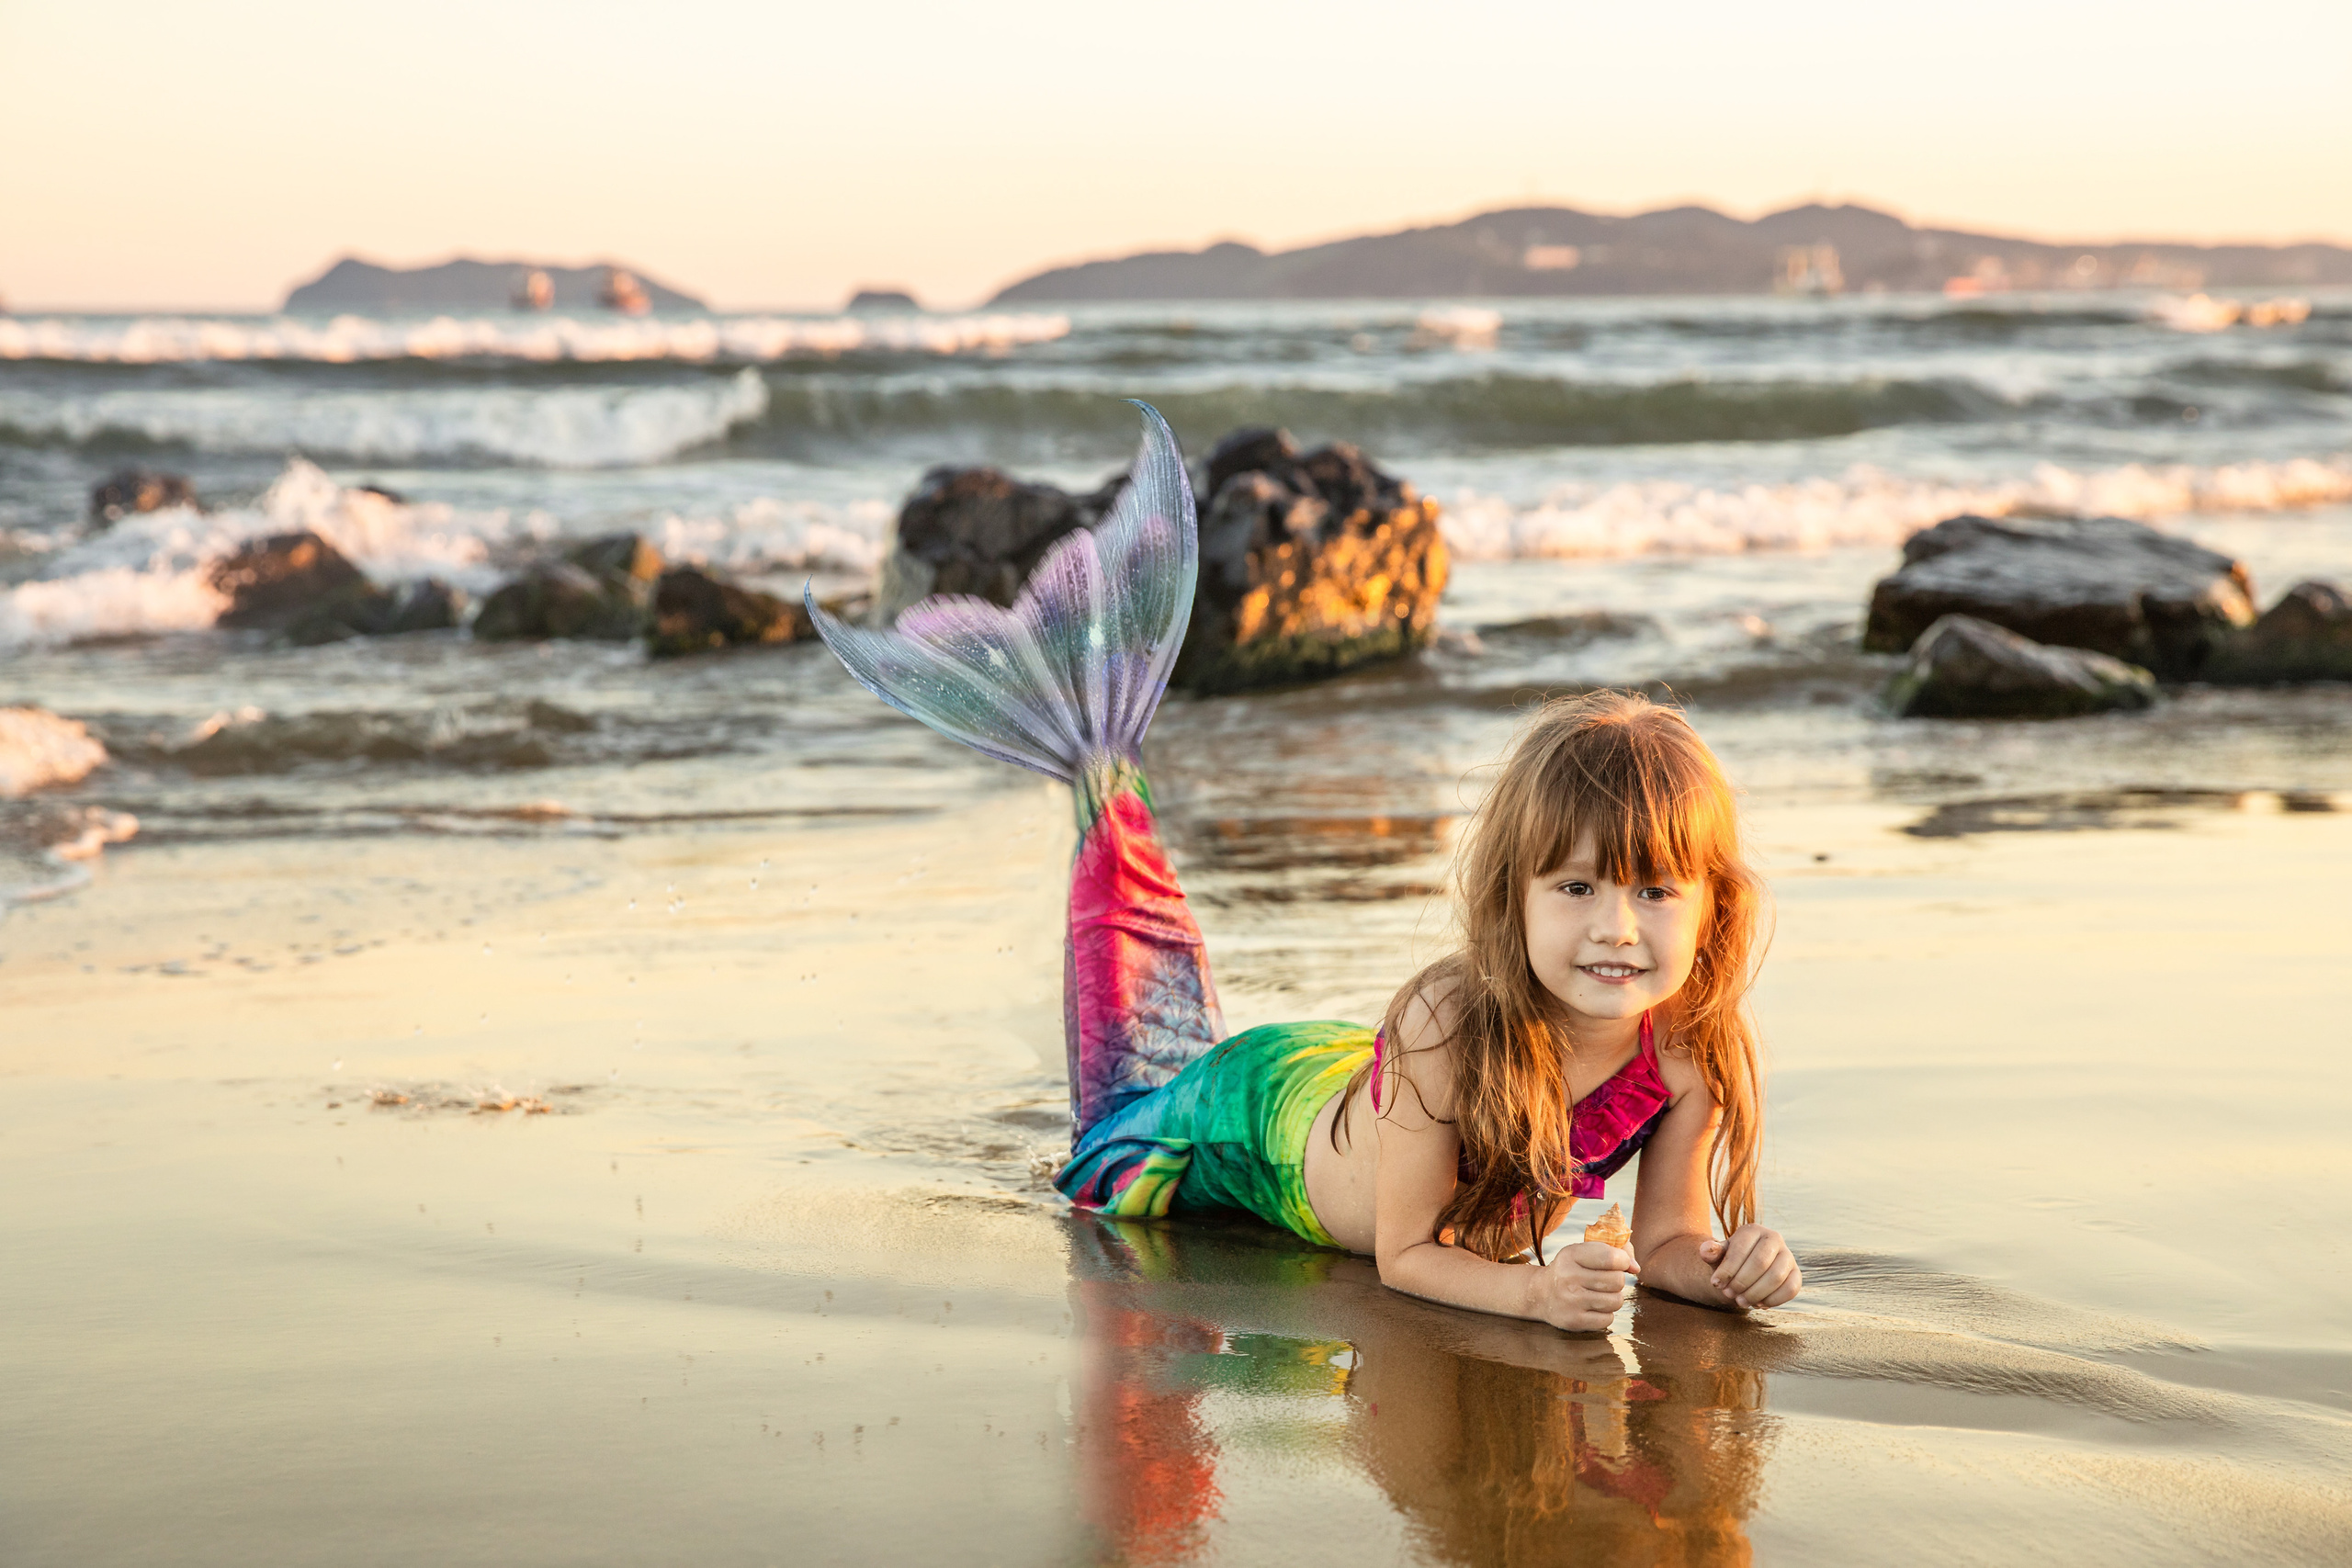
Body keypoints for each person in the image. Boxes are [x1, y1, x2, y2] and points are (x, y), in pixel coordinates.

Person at [808, 403, 1803, 1332]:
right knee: (1114, 1132)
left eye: (1654, 891)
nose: (1616, 927)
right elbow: (1407, 1255)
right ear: (1514, 900)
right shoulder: (1446, 1024)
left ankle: (1099, 757)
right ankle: (1095, 762)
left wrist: (1725, 1269)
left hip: (1363, 1083)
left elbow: (1667, 1241)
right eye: (1576, 887)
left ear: (1712, 908)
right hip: (1258, 1119)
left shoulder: (1686, 1049)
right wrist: (1536, 1293)